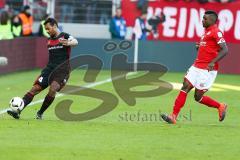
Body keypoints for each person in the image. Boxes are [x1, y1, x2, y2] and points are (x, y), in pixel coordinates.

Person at [161, 10, 228, 124]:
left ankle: (220, 106)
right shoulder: (205, 32)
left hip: (207, 69)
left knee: (198, 97)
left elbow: (225, 49)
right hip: (196, 66)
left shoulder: (216, 32)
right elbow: (209, 47)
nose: (202, 20)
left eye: (205, 18)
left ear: (212, 20)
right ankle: (173, 116)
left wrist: (213, 62)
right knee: (185, 86)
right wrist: (199, 46)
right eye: (203, 18)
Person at [7, 18, 78, 120]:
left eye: (48, 29)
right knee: (34, 89)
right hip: (49, 69)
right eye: (46, 29)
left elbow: (75, 41)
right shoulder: (49, 40)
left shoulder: (64, 36)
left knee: (53, 89)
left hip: (62, 70)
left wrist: (69, 43)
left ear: (54, 26)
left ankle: (40, 113)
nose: (47, 31)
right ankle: (18, 111)